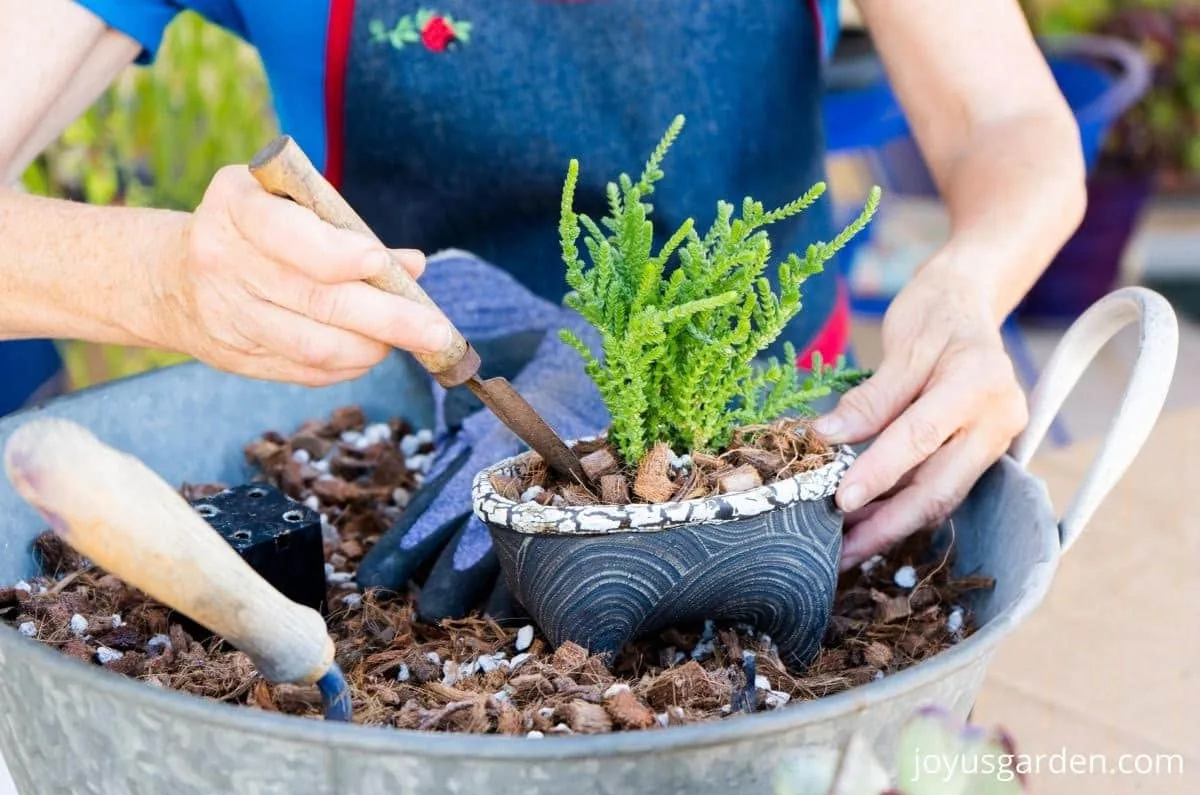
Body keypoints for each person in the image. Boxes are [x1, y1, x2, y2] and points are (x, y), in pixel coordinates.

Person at [0, 1, 1085, 617]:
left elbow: (1008, 118)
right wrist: (163, 280)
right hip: (416, 449)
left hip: (777, 455)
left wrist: (969, 281)